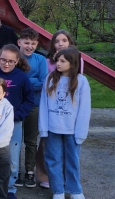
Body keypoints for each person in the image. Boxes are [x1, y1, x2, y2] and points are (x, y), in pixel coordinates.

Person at [38, 47, 91, 199]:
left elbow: (84, 109)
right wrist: (43, 128)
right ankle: (58, 191)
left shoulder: (81, 81)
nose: (58, 64)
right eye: (57, 61)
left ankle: (75, 191)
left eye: (62, 61)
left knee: (72, 161)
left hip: (72, 130)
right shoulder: (50, 79)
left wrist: (81, 132)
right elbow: (44, 104)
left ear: (72, 63)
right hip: (53, 128)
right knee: (53, 159)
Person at [0, 44, 34, 199]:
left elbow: (29, 100)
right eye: (3, 60)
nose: (6, 64)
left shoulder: (22, 77)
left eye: (11, 61)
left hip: (13, 123)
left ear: (17, 61)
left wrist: (17, 115)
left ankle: (10, 188)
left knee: (11, 157)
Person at [35, 30, 84, 188]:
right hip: (51, 107)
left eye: (64, 40)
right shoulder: (48, 61)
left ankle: (64, 179)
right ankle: (45, 175)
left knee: (68, 150)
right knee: (47, 146)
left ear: (70, 42)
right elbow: (47, 80)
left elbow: (77, 81)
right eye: (57, 41)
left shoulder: (77, 60)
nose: (60, 44)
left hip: (67, 111)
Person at [18, 28, 48, 189]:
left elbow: (44, 82)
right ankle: (15, 170)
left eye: (33, 43)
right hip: (16, 105)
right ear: (19, 42)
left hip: (34, 105)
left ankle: (29, 170)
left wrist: (24, 83)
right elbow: (12, 80)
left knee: (30, 140)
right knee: (14, 140)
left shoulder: (41, 60)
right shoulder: (14, 57)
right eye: (26, 42)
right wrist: (32, 81)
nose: (29, 46)